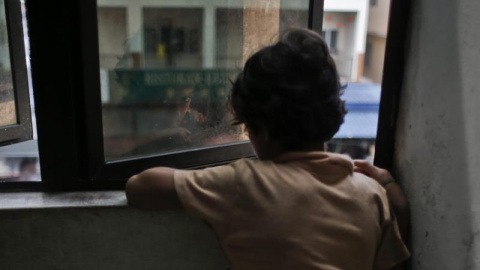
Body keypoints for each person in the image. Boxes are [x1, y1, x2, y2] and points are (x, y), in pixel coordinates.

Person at [125, 28, 410, 270]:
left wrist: (160, 137)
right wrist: (386, 182)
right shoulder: (370, 195)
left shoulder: (243, 183)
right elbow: (395, 250)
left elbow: (140, 187)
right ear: (332, 117)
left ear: (261, 129)